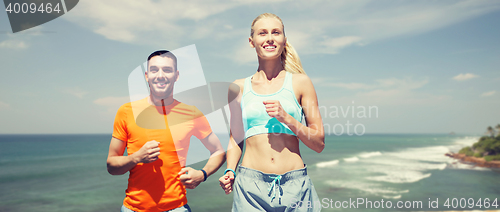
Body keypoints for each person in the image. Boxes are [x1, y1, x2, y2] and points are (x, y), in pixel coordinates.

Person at [219, 13, 325, 212]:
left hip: (296, 188)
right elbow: (236, 138)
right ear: (252, 42)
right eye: (262, 33)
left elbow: (318, 143)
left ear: (284, 40)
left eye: (276, 32)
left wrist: (287, 118)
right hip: (250, 189)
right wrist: (230, 169)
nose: (269, 38)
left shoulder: (301, 83)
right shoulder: (238, 87)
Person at [107, 50, 225, 212]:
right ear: (147, 75)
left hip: (177, 208)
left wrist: (202, 174)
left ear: (176, 76)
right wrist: (136, 158)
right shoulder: (127, 111)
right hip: (133, 209)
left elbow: (218, 151)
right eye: (154, 70)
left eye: (167, 70)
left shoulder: (191, 113)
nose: (160, 75)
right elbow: (112, 166)